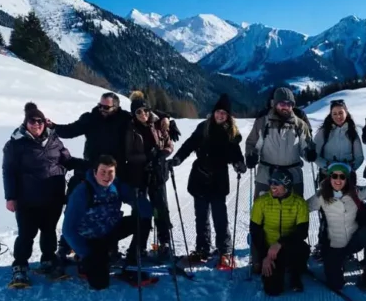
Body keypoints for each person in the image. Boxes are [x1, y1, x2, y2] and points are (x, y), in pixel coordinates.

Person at [2, 102, 82, 287]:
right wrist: (10, 197)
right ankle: (20, 266)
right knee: (26, 233)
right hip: (27, 198)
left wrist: (92, 166)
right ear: (25, 123)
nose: (36, 124)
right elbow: (8, 171)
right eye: (32, 121)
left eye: (40, 121)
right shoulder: (15, 144)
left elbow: (67, 161)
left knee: (49, 230)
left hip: (52, 195)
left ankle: (48, 259)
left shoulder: (54, 140)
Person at [169, 94, 246, 267]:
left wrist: (239, 163)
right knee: (201, 217)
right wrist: (178, 159)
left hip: (219, 179)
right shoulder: (203, 127)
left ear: (228, 116)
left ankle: (224, 251)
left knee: (220, 217)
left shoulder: (231, 133)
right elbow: (189, 145)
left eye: (224, 114)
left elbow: (235, 154)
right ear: (214, 112)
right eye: (218, 112)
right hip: (200, 177)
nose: (220, 115)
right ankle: (202, 249)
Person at [61, 155, 155, 289]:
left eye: (111, 172)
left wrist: (148, 208)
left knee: (143, 221)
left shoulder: (116, 185)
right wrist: (86, 255)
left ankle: (132, 262)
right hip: (91, 239)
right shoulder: (82, 192)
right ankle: (84, 262)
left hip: (110, 230)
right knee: (100, 284)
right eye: (103, 172)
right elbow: (68, 230)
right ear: (95, 172)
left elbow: (135, 200)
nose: (107, 176)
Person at [306, 162, 366, 290]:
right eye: (334, 176)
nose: (338, 180)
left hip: (354, 241)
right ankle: (336, 265)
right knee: (335, 283)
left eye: (342, 177)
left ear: (347, 179)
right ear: (329, 177)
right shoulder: (321, 196)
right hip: (334, 244)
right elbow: (302, 207)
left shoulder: (355, 192)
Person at [125, 93, 175, 260]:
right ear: (134, 114)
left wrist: (162, 153)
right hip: (139, 174)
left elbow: (169, 144)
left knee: (160, 207)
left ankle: (164, 242)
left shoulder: (158, 123)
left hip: (157, 173)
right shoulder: (130, 129)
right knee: (140, 210)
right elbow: (129, 155)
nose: (143, 114)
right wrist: (147, 156)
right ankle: (139, 244)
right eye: (139, 112)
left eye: (145, 110)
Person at [244, 86, 313, 198]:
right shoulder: (263, 122)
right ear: (275, 104)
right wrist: (251, 155)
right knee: (262, 210)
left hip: (293, 175)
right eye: (282, 104)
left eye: (289, 104)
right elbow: (252, 143)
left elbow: (306, 145)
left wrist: (309, 153)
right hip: (267, 175)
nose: (285, 107)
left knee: (293, 211)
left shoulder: (300, 124)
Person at [250, 169, 311, 295]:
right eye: (271, 182)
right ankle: (275, 268)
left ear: (287, 186)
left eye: (277, 183)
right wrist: (264, 256)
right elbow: (255, 231)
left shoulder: (300, 203)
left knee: (302, 249)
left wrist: (280, 243)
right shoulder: (261, 202)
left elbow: (302, 232)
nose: (272, 186)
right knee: (273, 290)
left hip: (290, 246)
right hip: (269, 250)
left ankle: (295, 273)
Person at [313, 99, 364, 179]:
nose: (338, 116)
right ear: (331, 115)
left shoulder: (352, 133)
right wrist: (327, 165)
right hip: (327, 175)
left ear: (346, 113)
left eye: (341, 113)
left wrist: (350, 168)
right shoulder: (324, 132)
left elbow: (359, 157)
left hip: (347, 176)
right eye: (334, 114)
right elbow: (314, 154)